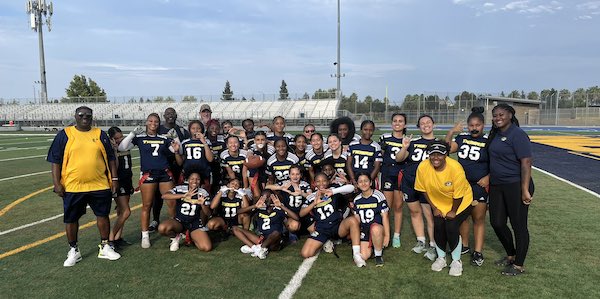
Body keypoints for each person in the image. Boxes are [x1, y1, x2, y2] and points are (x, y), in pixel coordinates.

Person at [47, 106, 121, 266]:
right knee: (71, 219)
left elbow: (111, 158)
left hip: (99, 184)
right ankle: (73, 250)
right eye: (81, 115)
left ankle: (105, 246)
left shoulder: (99, 134)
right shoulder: (65, 134)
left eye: (88, 115)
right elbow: (55, 161)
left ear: (92, 117)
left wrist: (114, 179)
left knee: (102, 215)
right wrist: (56, 183)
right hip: (73, 186)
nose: (85, 117)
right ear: (75, 116)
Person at [487, 103, 534, 276]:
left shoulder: (518, 134)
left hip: (516, 185)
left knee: (518, 225)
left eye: (501, 114)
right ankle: (511, 255)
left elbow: (526, 162)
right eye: (494, 115)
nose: (497, 118)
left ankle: (518, 265)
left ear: (510, 115)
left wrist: (524, 189)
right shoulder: (497, 134)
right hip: (497, 185)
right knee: (497, 222)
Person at [119, 113, 179, 249]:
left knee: (171, 204)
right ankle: (145, 235)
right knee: (146, 205)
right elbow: (122, 147)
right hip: (148, 174)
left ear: (159, 123)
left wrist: (175, 140)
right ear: (146, 122)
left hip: (164, 173)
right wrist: (132, 134)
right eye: (151, 121)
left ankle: (174, 234)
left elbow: (176, 149)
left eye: (156, 121)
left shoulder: (163, 138)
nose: (153, 123)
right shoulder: (140, 137)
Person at [415, 141, 473, 277]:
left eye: (439, 154)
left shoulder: (455, 168)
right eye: (432, 154)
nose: (436, 157)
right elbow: (423, 190)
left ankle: (456, 261)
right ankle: (441, 258)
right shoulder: (423, 167)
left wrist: (453, 211)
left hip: (460, 202)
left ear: (446, 155)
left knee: (451, 226)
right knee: (439, 226)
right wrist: (434, 207)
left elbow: (459, 195)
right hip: (439, 203)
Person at [445, 107, 490, 266]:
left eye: (477, 125)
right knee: (462, 217)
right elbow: (448, 149)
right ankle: (464, 245)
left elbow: (497, 163)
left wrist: (488, 177)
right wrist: (451, 132)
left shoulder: (488, 140)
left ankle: (478, 252)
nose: (474, 128)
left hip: (479, 185)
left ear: (483, 125)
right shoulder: (462, 137)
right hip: (462, 185)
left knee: (478, 218)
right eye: (471, 125)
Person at [299, 173, 366, 267]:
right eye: (318, 181)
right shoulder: (311, 197)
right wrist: (313, 204)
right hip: (321, 229)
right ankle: (326, 241)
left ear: (328, 182)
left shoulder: (334, 190)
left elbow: (351, 188)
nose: (321, 183)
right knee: (306, 253)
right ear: (314, 183)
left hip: (337, 226)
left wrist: (333, 191)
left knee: (353, 220)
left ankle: (356, 255)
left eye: (324, 181)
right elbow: (301, 213)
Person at [395, 114, 437, 261]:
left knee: (429, 215)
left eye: (428, 122)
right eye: (422, 123)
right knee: (414, 212)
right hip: (410, 182)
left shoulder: (438, 143)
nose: (425, 125)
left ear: (434, 124)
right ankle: (421, 241)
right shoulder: (413, 142)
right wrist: (404, 147)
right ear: (419, 127)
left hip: (428, 184)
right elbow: (399, 159)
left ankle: (433, 244)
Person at [152, 107, 190, 232]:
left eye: (172, 113)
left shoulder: (181, 130)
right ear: (164, 115)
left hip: (176, 164)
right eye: (168, 113)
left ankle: (177, 218)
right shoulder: (159, 129)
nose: (170, 115)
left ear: (176, 115)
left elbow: (185, 148)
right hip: (161, 165)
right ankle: (155, 219)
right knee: (157, 195)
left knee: (178, 192)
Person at [233, 191, 299, 259]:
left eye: (268, 197)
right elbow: (239, 212)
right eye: (264, 197)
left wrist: (281, 206)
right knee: (235, 228)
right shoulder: (259, 208)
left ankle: (260, 248)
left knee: (276, 232)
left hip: (275, 240)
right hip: (262, 238)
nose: (266, 199)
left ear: (272, 197)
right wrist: (254, 206)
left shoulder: (278, 208)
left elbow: (296, 218)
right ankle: (256, 249)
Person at [159, 173, 212, 252]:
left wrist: (203, 205)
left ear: (200, 181)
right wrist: (183, 196)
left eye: (197, 179)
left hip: (195, 223)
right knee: (162, 228)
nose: (195, 181)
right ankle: (176, 237)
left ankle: (190, 235)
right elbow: (164, 196)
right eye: (192, 179)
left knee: (206, 247)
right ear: (188, 180)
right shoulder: (181, 188)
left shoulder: (203, 193)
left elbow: (208, 214)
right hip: (179, 221)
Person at [379, 113, 408, 248]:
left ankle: (396, 235)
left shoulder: (408, 140)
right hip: (387, 174)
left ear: (405, 124)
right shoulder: (384, 137)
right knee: (386, 207)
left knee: (398, 206)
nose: (397, 123)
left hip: (400, 175)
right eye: (395, 121)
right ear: (391, 123)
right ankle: (385, 233)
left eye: (400, 121)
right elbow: (380, 156)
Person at [265, 165, 312, 243]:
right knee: (294, 225)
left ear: (301, 175)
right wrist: (281, 188)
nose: (295, 176)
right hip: (289, 213)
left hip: (302, 213)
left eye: (297, 174)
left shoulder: (304, 184)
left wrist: (301, 193)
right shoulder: (285, 183)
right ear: (289, 175)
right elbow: (267, 187)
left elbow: (310, 196)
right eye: (293, 174)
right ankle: (290, 232)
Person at [352, 173, 390, 267]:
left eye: (366, 181)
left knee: (375, 229)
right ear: (357, 184)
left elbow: (385, 216)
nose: (363, 183)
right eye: (360, 181)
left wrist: (387, 235)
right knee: (364, 256)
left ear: (370, 182)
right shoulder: (357, 199)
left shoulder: (378, 195)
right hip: (365, 229)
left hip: (377, 228)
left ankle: (378, 255)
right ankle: (373, 246)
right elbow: (357, 221)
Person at [107, 127, 134, 249]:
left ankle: (118, 238)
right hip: (119, 183)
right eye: (116, 138)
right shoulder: (112, 150)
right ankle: (110, 238)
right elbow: (115, 167)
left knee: (121, 212)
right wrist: (114, 150)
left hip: (127, 181)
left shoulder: (126, 145)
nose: (119, 140)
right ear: (111, 138)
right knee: (126, 212)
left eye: (121, 137)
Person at [176, 120, 214, 189]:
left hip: (203, 173)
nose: (196, 130)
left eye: (198, 128)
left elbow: (210, 159)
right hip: (188, 173)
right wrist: (176, 152)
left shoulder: (207, 141)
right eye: (193, 128)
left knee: (203, 194)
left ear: (202, 129)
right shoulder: (185, 142)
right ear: (189, 130)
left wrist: (204, 142)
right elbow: (180, 162)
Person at [346, 120, 382, 190]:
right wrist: (353, 180)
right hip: (354, 178)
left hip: (368, 180)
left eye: (370, 130)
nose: (368, 132)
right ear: (361, 130)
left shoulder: (376, 147)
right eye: (365, 129)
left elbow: (377, 167)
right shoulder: (353, 144)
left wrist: (367, 181)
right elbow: (348, 164)